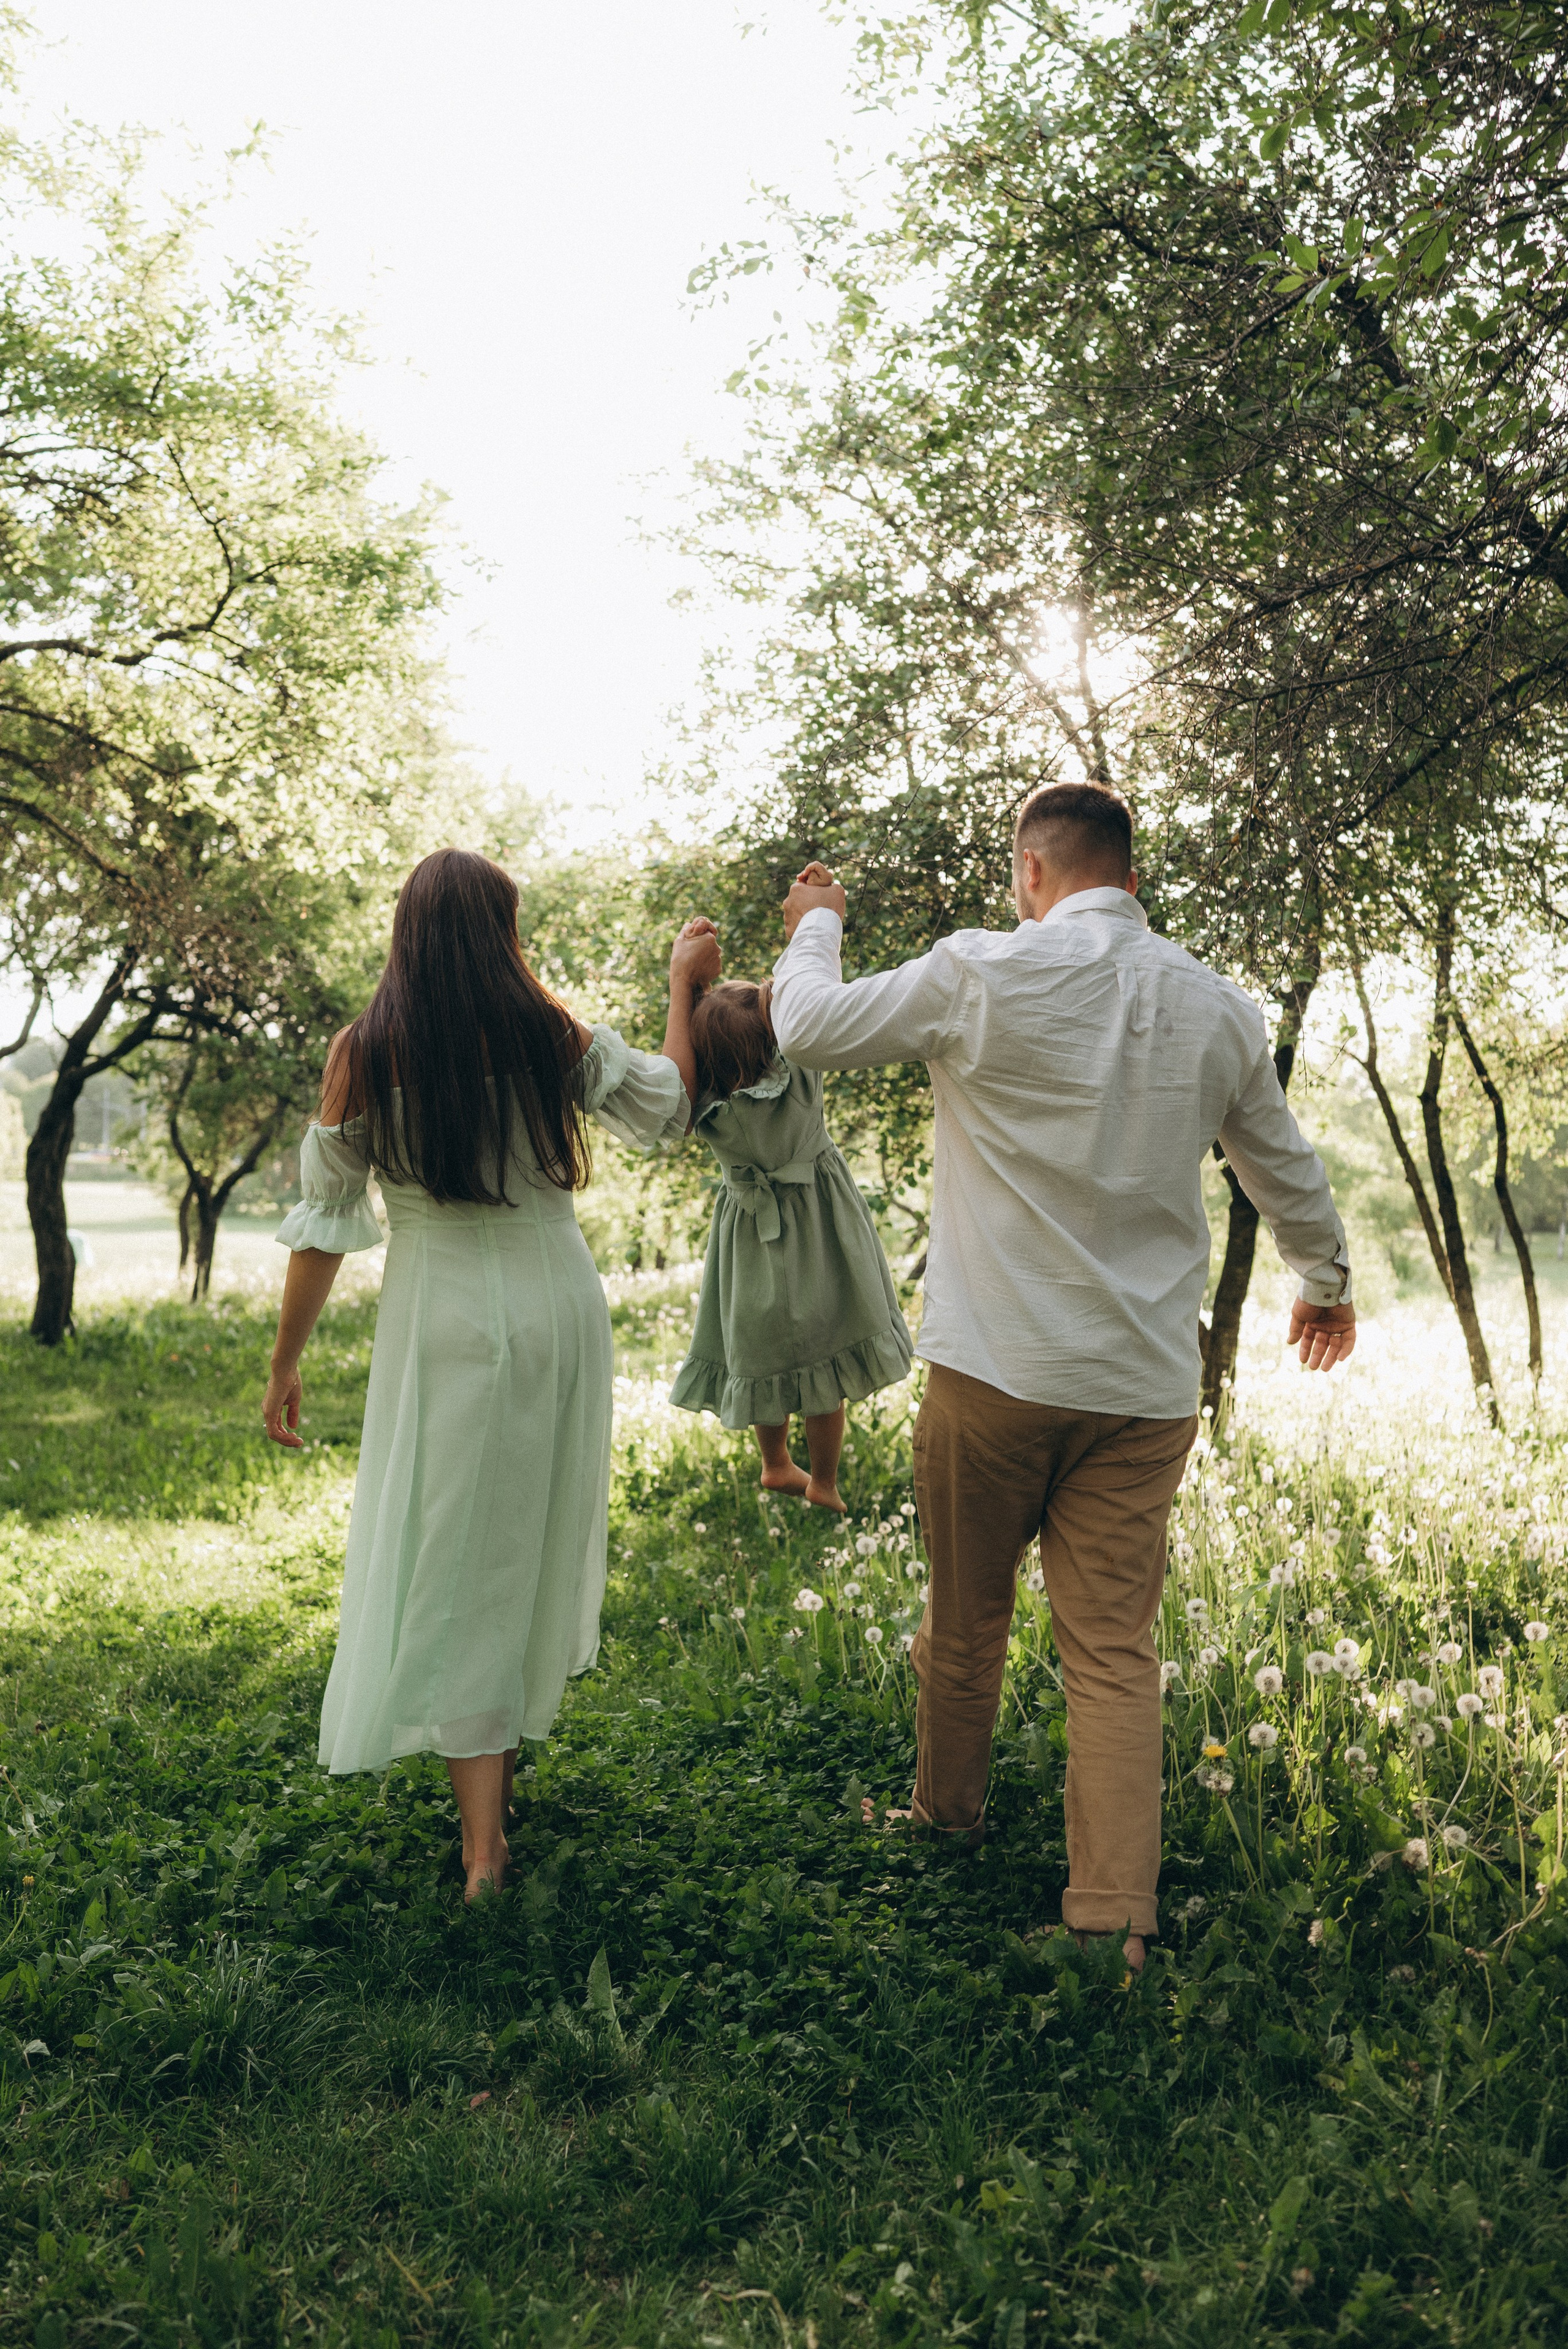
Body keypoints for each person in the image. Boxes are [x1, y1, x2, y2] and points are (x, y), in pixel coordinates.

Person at [767, 786, 1355, 1968]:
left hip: (994, 1369)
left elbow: (807, 1028)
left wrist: (817, 921)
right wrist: (1324, 1281)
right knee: (1112, 1651)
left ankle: (945, 1819)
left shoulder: (979, 973)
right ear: (1128, 879)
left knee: (968, 1613)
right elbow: (1279, 1165)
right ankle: (1114, 1921)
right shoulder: (1217, 1007)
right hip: (1142, 1389)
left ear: (1033, 873)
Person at [263, 849, 717, 1899]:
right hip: (559, 1306)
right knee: (520, 1536)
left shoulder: (364, 1052)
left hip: (447, 1323)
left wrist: (287, 1361)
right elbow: (668, 1103)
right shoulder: (545, 1032)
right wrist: (681, 985)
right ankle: (491, 1791)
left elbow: (326, 1228)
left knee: (460, 1554)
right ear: (500, 934)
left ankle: (482, 1852)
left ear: (407, 935)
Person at [664, 958, 913, 1512]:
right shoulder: (799, 1076)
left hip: (750, 1240)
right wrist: (771, 988)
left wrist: (691, 990)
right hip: (820, 1233)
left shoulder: (705, 1106)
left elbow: (689, 1060)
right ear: (774, 1036)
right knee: (825, 1366)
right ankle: (824, 1479)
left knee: (761, 1353)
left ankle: (775, 1462)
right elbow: (793, 996)